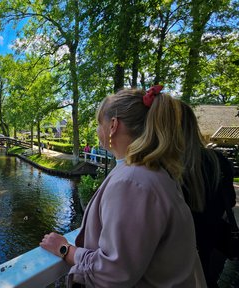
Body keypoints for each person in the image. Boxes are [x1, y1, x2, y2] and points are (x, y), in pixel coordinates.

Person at [40, 86, 206, 287]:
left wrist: (65, 249)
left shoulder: (132, 182)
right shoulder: (153, 171)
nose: (96, 130)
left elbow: (112, 273)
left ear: (113, 126)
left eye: (98, 123)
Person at [179, 101, 237, 287]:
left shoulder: (166, 166)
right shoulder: (218, 160)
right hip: (209, 246)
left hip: (176, 255)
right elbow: (230, 199)